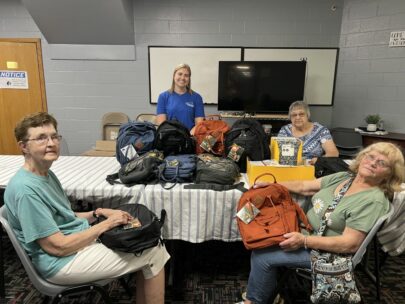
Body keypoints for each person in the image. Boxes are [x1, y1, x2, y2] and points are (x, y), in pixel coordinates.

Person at [4, 112, 170, 304]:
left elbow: (65, 216)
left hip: (72, 247)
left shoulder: (45, 174)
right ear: (23, 146)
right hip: (60, 263)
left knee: (147, 240)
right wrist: (105, 225)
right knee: (153, 250)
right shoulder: (26, 191)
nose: (51, 143)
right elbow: (58, 247)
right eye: (41, 138)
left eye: (54, 136)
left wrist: (97, 213)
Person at [240, 142, 405, 304]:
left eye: (382, 163)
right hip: (306, 233)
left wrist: (304, 240)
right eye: (371, 156)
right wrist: (274, 186)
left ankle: (254, 300)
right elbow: (305, 186)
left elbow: (350, 244)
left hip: (328, 253)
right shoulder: (346, 178)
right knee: (259, 237)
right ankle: (269, 293)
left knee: (262, 257)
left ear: (390, 174)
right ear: (362, 158)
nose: (373, 163)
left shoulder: (373, 201)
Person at [156, 63, 205, 135]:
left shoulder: (197, 97)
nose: (182, 78)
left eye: (186, 75)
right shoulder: (163, 97)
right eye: (180, 74)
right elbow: (162, 125)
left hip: (189, 138)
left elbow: (199, 124)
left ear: (189, 78)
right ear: (174, 76)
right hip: (169, 139)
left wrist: (187, 137)